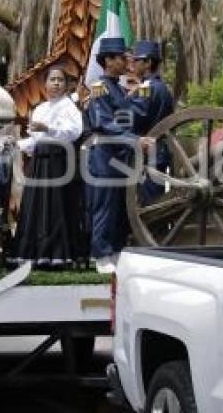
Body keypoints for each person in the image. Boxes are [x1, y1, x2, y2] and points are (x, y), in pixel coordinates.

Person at [85, 38, 152, 274]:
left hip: (120, 157)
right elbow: (103, 123)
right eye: (122, 57)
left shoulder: (118, 88)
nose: (127, 61)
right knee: (104, 205)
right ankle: (100, 255)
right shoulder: (99, 87)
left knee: (119, 207)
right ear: (109, 61)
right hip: (105, 156)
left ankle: (114, 250)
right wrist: (134, 140)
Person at [8, 66, 84, 268]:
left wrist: (48, 128)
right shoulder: (40, 109)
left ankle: (58, 253)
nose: (56, 83)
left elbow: (74, 133)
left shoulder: (69, 107)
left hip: (58, 161)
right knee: (37, 206)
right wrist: (17, 144)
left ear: (67, 85)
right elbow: (36, 141)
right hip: (40, 162)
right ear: (45, 84)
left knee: (56, 205)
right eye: (52, 80)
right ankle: (35, 253)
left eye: (60, 80)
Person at [131, 40, 175, 203]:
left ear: (148, 62)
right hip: (161, 150)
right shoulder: (164, 88)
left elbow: (136, 118)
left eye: (136, 60)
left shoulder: (146, 88)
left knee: (150, 202)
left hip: (149, 152)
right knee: (157, 198)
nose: (133, 65)